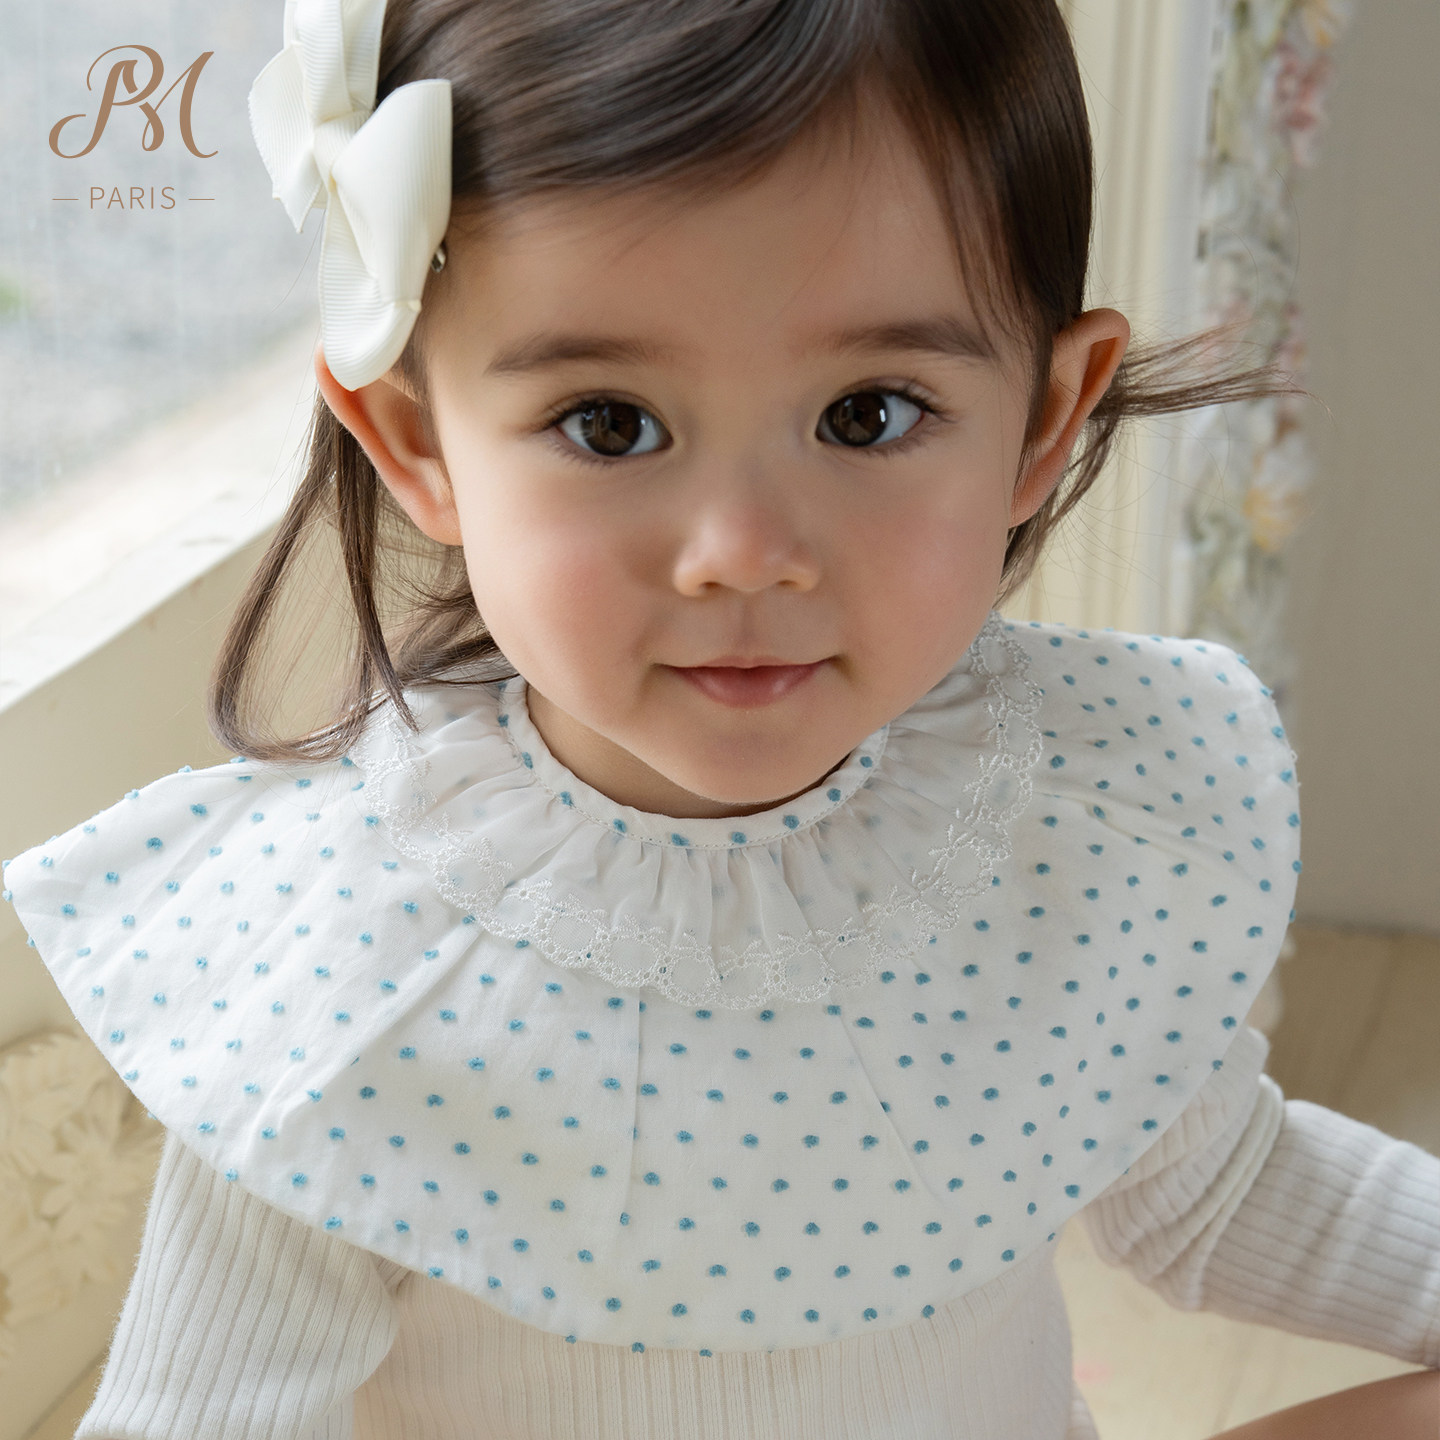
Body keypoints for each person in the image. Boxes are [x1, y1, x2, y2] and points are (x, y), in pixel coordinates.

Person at [4, 2, 1436, 1437]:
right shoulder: (349, 979)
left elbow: (1221, 1190)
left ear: (1044, 422)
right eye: (610, 424)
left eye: (868, 414)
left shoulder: (1057, 824)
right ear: (419, 445)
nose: (744, 554)